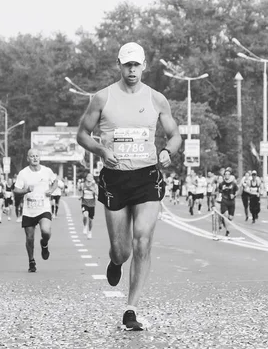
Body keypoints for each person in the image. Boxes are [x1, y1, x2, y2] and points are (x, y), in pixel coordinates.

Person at [76, 42, 182, 331]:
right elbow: (83, 134)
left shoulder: (157, 99)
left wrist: (167, 152)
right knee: (121, 250)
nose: (132, 70)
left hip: (147, 176)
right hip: (115, 178)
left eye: (137, 65)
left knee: (142, 240)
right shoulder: (102, 97)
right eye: (127, 65)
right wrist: (100, 151)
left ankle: (131, 309)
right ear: (119, 65)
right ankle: (115, 260)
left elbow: (174, 136)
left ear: (144, 65)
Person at [13, 149, 59, 273]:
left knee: (45, 231)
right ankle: (31, 261)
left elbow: (55, 181)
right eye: (32, 156)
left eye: (37, 156)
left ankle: (44, 244)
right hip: (29, 210)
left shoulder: (47, 171)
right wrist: (26, 190)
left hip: (44, 208)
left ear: (40, 157)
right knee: (30, 238)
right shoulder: (23, 173)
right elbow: (16, 190)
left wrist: (51, 190)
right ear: (28, 158)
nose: (35, 158)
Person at [217, 167, 238, 237]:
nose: (227, 176)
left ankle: (224, 221)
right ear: (224, 175)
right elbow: (219, 191)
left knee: (230, 218)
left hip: (231, 202)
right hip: (224, 201)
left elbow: (237, 191)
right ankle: (227, 231)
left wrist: (234, 195)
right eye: (225, 174)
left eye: (228, 174)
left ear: (230, 175)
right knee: (226, 215)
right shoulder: (221, 184)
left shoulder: (233, 184)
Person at [81, 173, 98, 239]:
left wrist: (93, 190)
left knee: (90, 220)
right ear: (86, 177)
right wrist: (81, 196)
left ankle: (90, 231)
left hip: (92, 204)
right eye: (88, 176)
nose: (89, 178)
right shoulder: (83, 184)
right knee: (85, 215)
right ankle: (85, 226)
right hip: (84, 203)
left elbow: (98, 194)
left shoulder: (95, 185)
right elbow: (81, 192)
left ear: (92, 178)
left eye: (91, 177)